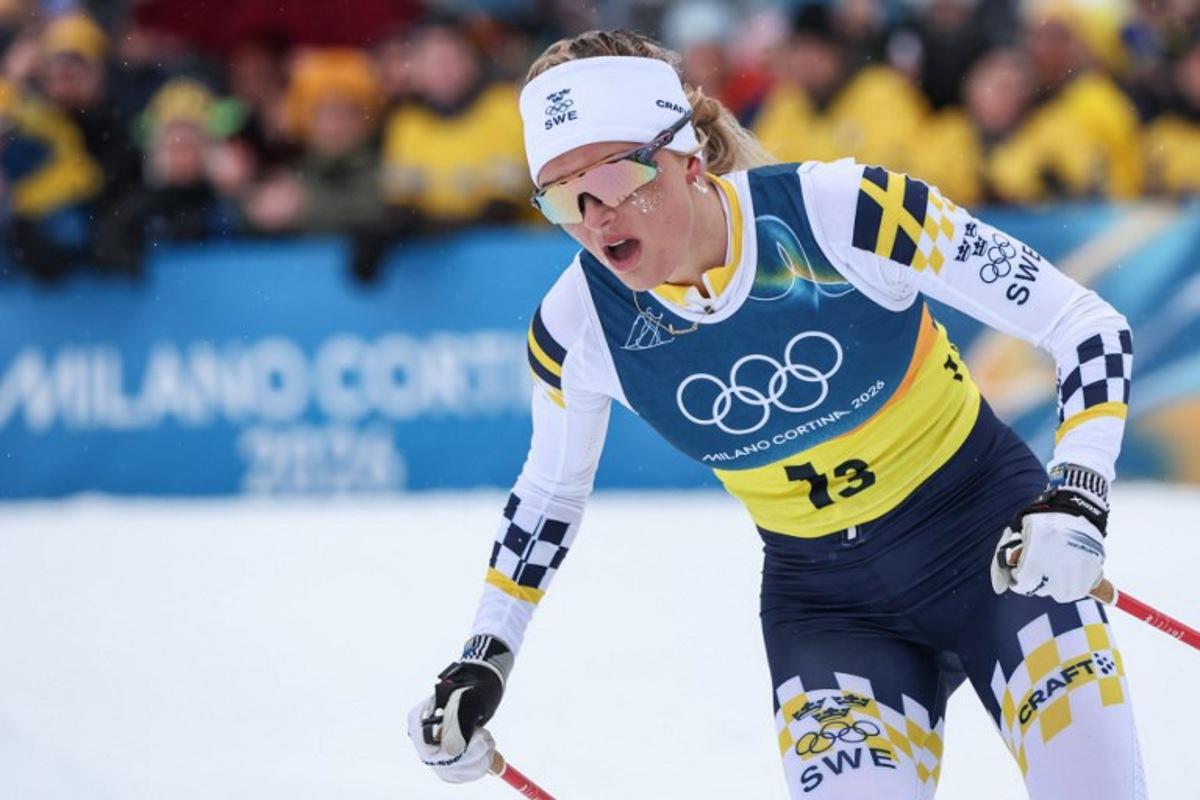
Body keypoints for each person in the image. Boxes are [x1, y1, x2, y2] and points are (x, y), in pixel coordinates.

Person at [408, 29, 1144, 799]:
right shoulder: (577, 326)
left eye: (614, 177)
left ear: (686, 158)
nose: (595, 218)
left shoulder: (843, 212)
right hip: (830, 609)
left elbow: (1084, 324)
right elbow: (549, 495)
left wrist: (1079, 492)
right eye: (562, 197)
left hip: (994, 545)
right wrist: (483, 655)